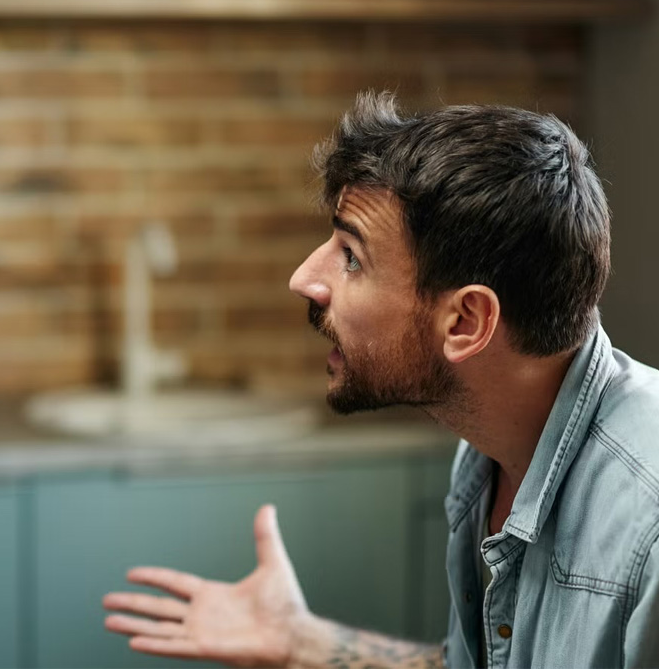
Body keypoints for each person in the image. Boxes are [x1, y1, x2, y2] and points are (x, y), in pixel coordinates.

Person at [103, 91, 659, 668]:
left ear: (466, 321)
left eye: (351, 257)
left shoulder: (648, 531)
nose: (304, 278)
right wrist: (303, 644)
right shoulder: (490, 452)